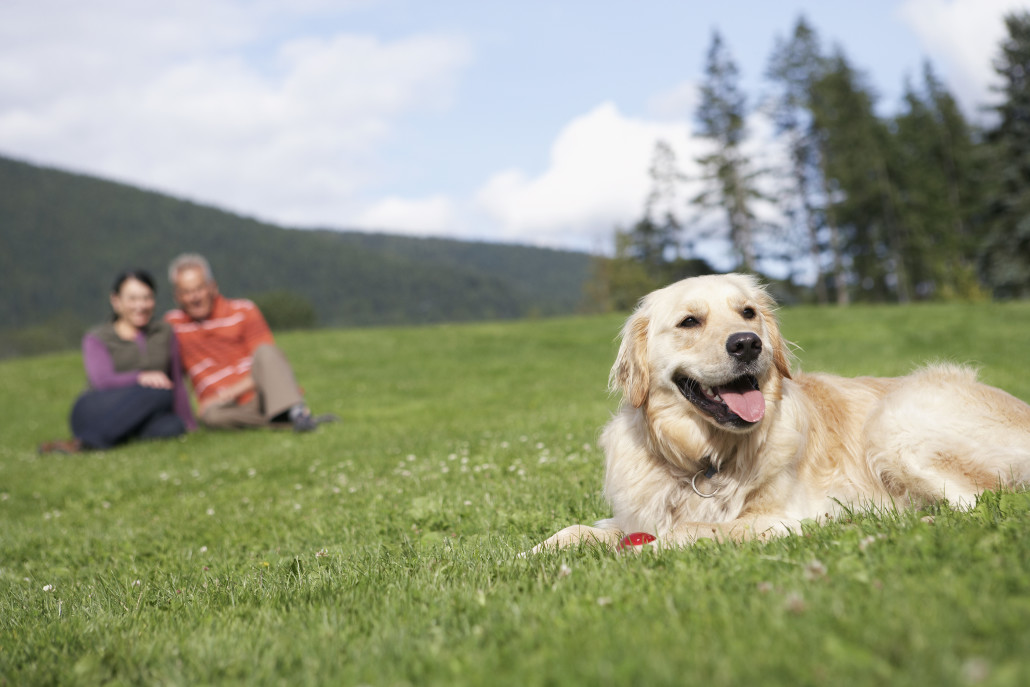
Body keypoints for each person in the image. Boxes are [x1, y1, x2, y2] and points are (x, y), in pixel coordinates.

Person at [165, 253, 335, 432]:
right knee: (211, 417)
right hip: (224, 408)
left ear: (212, 287)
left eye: (199, 289)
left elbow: (268, 361)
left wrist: (228, 393)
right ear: (177, 297)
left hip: (260, 391)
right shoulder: (173, 326)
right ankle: (293, 418)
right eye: (186, 292)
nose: (194, 297)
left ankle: (293, 412)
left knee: (266, 351)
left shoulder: (243, 310)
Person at [39, 270, 195, 453]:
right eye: (133, 299)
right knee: (159, 391)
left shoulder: (165, 332)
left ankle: (103, 438)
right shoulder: (97, 338)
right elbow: (102, 381)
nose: (141, 305)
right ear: (116, 301)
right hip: (97, 407)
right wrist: (141, 377)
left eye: (147, 298)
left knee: (172, 425)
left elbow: (176, 379)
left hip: (145, 409)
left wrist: (190, 423)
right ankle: (86, 443)